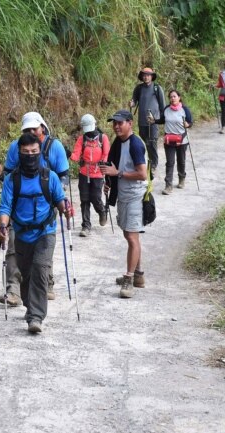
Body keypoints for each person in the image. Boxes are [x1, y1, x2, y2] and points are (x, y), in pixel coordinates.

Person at [0, 112, 70, 306]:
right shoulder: (16, 147)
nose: (31, 132)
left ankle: (46, 283)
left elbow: (65, 176)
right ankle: (13, 290)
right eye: (26, 130)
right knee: (13, 248)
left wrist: (60, 200)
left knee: (41, 253)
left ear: (42, 127)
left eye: (34, 128)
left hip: (46, 204)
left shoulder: (55, 147)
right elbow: (9, 176)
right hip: (19, 208)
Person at [99, 110, 147, 298]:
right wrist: (109, 181)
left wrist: (116, 173)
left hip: (135, 195)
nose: (117, 126)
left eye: (120, 123)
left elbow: (142, 174)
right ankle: (138, 274)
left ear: (130, 123)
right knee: (130, 235)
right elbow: (114, 166)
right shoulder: (119, 142)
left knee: (131, 237)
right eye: (114, 123)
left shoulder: (135, 144)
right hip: (124, 194)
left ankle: (129, 280)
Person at [69, 114, 111, 237]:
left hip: (98, 173)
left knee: (95, 197)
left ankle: (102, 211)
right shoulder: (82, 139)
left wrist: (104, 163)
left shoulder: (103, 138)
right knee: (85, 199)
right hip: (84, 173)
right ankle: (86, 226)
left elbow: (106, 154)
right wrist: (69, 154)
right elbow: (76, 156)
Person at [149, 90, 193, 194]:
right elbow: (162, 120)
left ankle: (181, 178)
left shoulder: (185, 110)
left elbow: (190, 122)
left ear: (179, 97)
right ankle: (168, 185)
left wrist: (188, 125)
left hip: (182, 139)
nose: (172, 98)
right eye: (171, 97)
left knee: (181, 161)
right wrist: (154, 120)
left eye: (174, 96)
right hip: (169, 139)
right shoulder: (166, 109)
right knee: (170, 162)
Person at [129, 67, 165, 176]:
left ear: (152, 76)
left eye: (148, 75)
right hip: (142, 121)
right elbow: (134, 101)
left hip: (153, 121)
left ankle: (153, 164)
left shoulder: (157, 88)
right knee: (143, 143)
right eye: (144, 75)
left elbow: (162, 105)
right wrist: (132, 103)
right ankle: (144, 163)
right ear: (142, 76)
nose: (146, 77)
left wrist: (161, 119)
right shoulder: (139, 88)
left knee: (152, 142)